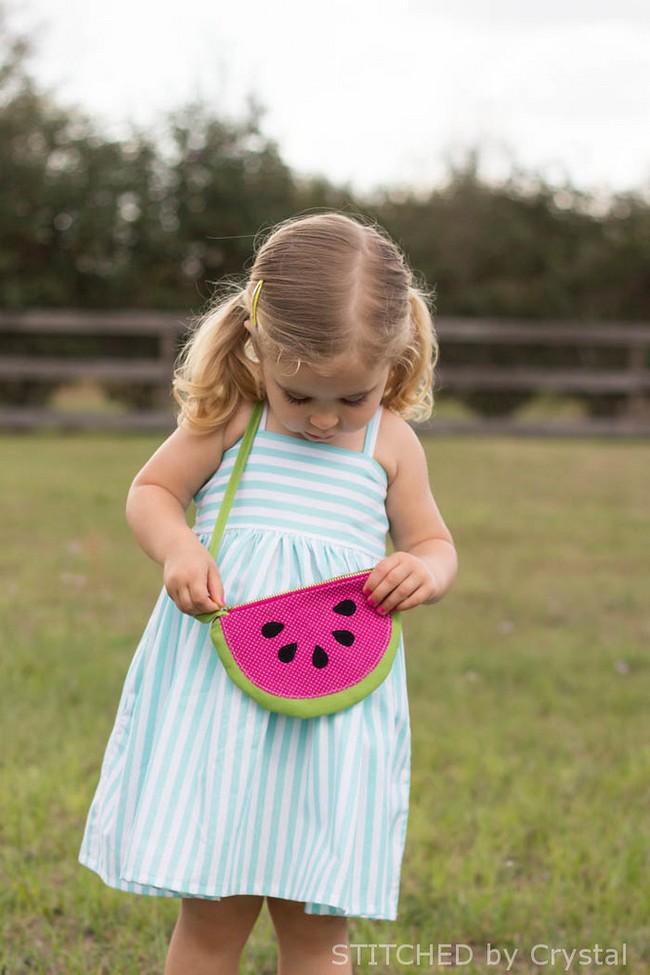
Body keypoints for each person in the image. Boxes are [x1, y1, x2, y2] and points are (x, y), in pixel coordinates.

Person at [79, 211, 458, 975]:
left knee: (319, 932)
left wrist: (425, 570)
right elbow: (151, 490)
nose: (324, 419)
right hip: (218, 701)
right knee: (212, 921)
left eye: (351, 398)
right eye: (300, 395)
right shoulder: (232, 421)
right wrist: (179, 545)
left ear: (396, 361)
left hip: (335, 719)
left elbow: (434, 543)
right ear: (256, 347)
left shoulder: (390, 442)